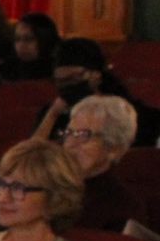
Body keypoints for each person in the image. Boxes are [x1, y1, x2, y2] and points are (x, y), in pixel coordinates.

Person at [32, 37, 158, 148]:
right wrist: (52, 114)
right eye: (61, 81)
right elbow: (31, 156)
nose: (68, 85)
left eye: (73, 78)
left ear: (96, 74)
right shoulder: (55, 114)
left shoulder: (127, 110)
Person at [58, 93, 146, 230]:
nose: (70, 144)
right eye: (69, 133)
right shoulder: (44, 187)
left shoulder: (122, 208)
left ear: (114, 147)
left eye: (84, 135)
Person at [5, 12, 59, 82]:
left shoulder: (57, 74)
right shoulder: (8, 71)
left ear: (45, 40)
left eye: (29, 39)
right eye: (17, 39)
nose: (21, 45)